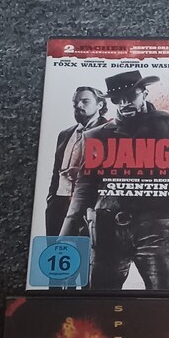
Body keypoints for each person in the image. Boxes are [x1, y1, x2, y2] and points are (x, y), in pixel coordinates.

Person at [61, 70, 169, 290]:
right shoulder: (97, 136)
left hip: (156, 230)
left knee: (167, 300)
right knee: (100, 301)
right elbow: (84, 188)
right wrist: (66, 238)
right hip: (106, 232)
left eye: (130, 96)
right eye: (117, 99)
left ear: (144, 93)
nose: (124, 103)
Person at [46, 86, 109, 236]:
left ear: (100, 105)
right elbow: (56, 171)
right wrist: (51, 200)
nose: (78, 105)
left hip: (90, 206)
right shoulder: (65, 134)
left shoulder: (110, 132)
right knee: (56, 247)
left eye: (85, 101)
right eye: (75, 102)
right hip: (59, 204)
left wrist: (81, 172)